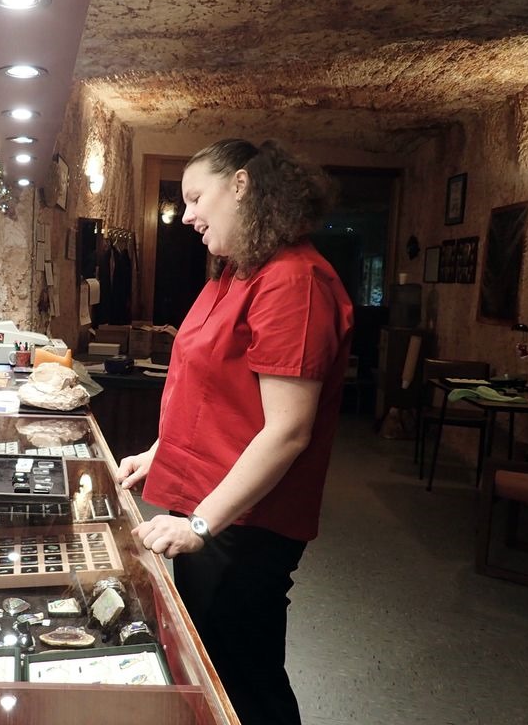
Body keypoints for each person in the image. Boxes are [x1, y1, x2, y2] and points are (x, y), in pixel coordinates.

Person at [117, 139, 353, 725]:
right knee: (209, 665)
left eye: (196, 198)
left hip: (243, 522)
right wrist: (159, 452)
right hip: (207, 503)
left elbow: (288, 431)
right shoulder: (236, 272)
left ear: (242, 185)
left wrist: (201, 523)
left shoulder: (294, 281)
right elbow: (210, 390)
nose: (187, 215)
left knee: (244, 681)